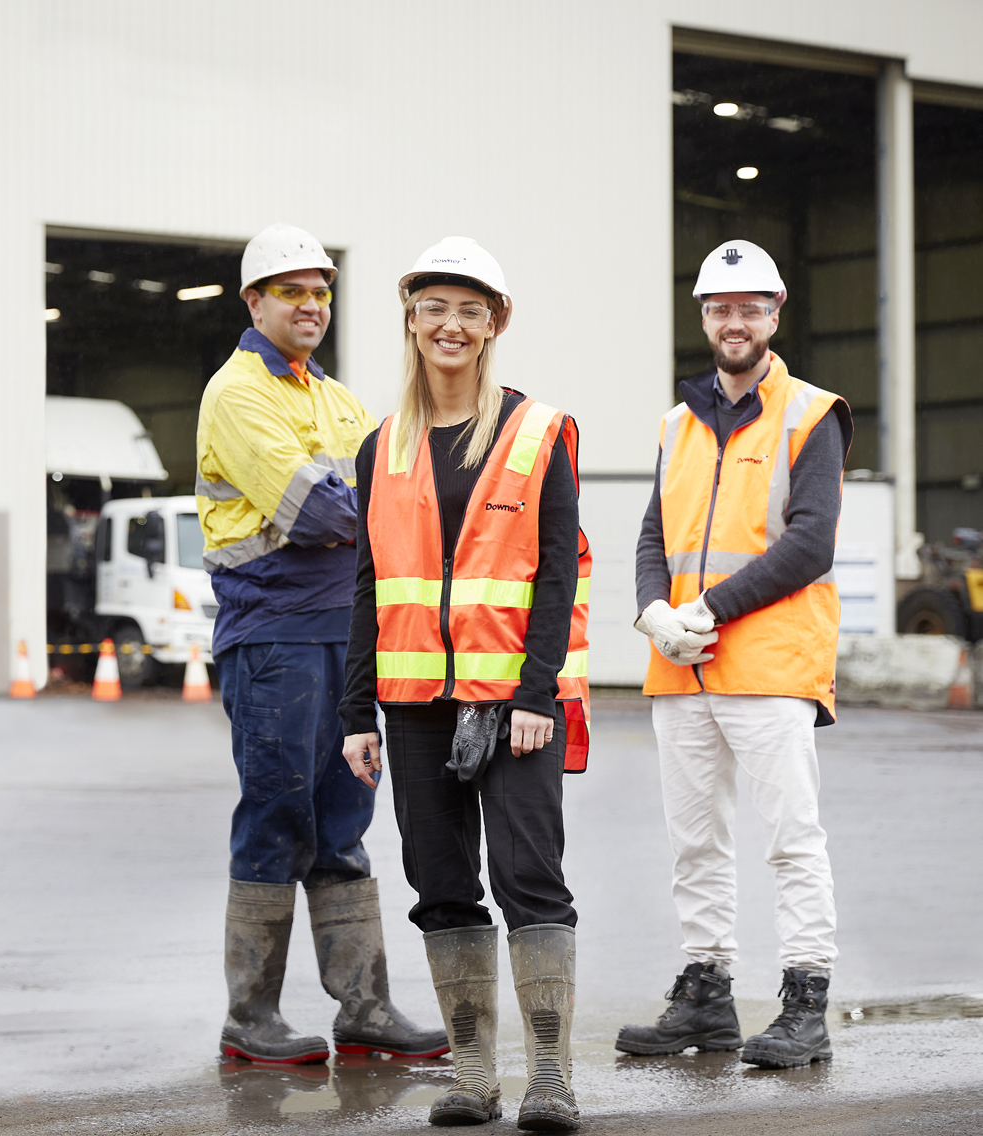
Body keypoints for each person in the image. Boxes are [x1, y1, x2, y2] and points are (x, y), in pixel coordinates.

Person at [339, 237, 592, 1132]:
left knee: (531, 878)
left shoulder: (535, 432)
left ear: (495, 325)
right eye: (435, 307)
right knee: (439, 879)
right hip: (412, 705)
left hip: (512, 698)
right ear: (410, 320)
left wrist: (536, 693)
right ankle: (475, 1073)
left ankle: (552, 1077)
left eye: (470, 309)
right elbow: (369, 584)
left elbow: (558, 570)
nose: (451, 325)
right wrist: (354, 709)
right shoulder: (382, 447)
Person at [197, 223, 447, 1065]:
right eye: (292, 291)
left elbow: (402, 496)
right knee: (276, 815)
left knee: (343, 822)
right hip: (273, 637)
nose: (311, 305)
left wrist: (370, 505)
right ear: (254, 301)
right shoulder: (238, 395)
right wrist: (364, 504)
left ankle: (365, 1006)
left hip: (346, 636)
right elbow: (327, 514)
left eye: (321, 291)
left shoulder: (335, 399)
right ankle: (250, 1017)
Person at [616, 239, 852, 1069]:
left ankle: (806, 1004)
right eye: (721, 308)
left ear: (775, 315)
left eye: (751, 307)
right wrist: (652, 610)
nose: (735, 321)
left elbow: (813, 541)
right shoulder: (677, 423)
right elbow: (654, 533)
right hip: (680, 666)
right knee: (696, 843)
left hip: (771, 665)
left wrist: (706, 608)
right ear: (704, 318)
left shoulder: (810, 413)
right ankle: (707, 999)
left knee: (791, 839)